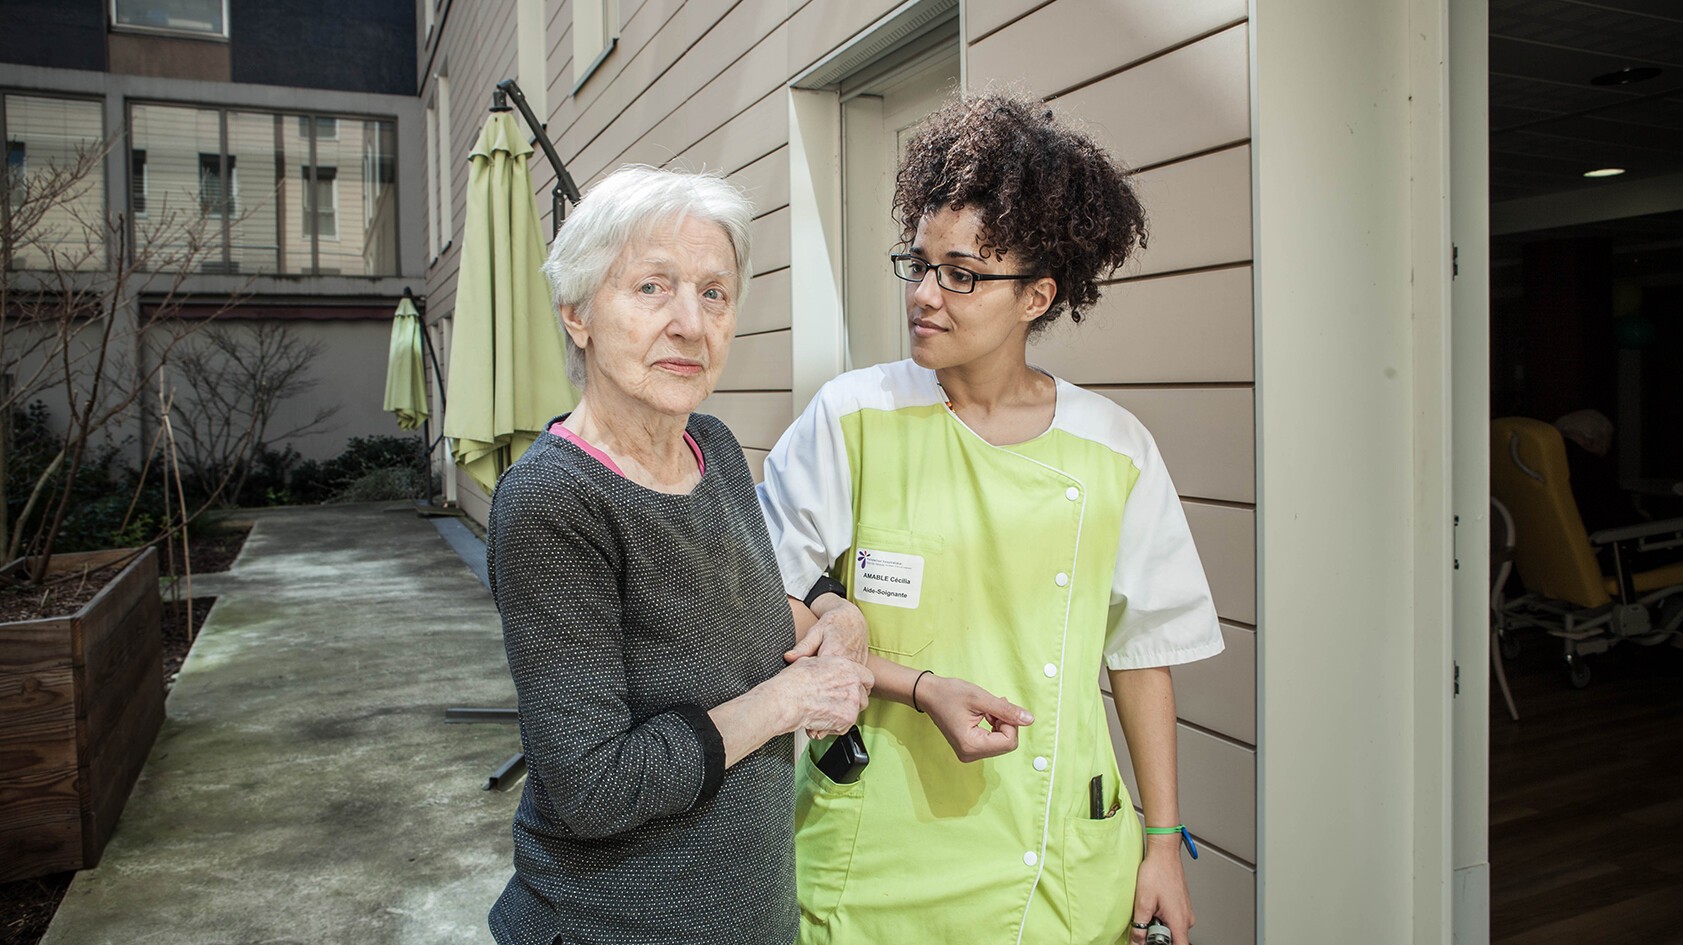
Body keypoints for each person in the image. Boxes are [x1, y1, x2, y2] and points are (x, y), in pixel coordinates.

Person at [757, 94, 1225, 945]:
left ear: (1037, 296)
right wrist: (906, 677)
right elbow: (762, 595)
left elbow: (1142, 654)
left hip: (1058, 851)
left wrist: (1161, 842)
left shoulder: (1114, 448)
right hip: (877, 851)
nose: (926, 294)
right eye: (920, 263)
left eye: (962, 273)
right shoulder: (852, 417)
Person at [485, 165, 874, 945]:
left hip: (747, 909)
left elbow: (742, 604)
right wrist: (785, 704)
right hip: (617, 922)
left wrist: (833, 607)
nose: (691, 324)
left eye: (713, 293)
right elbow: (591, 785)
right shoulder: (554, 500)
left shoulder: (714, 448)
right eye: (652, 288)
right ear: (576, 313)